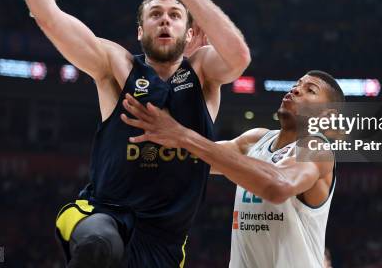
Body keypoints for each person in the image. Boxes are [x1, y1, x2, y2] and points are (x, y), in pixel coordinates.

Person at [5, 0, 251, 268]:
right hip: (106, 214)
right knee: (98, 245)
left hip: (165, 242)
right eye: (156, 15)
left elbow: (239, 57)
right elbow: (48, 17)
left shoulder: (202, 71)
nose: (165, 21)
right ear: (140, 30)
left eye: (175, 15)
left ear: (190, 33)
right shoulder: (116, 64)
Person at [121, 70, 343, 268]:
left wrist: (184, 136)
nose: (296, 89)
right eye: (297, 83)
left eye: (310, 90)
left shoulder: (318, 149)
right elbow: (193, 158)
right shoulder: (255, 140)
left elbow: (279, 186)